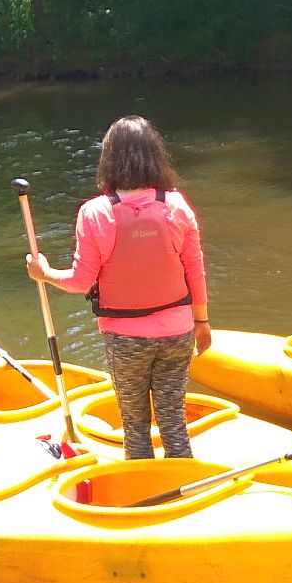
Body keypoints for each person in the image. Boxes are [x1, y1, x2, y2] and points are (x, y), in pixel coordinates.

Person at [26, 116, 211, 460]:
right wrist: (201, 322)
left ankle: (142, 485)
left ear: (109, 159)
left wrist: (44, 272)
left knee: (135, 427)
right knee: (173, 422)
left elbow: (81, 281)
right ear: (155, 155)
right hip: (178, 333)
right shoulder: (177, 206)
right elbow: (195, 271)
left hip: (125, 340)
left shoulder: (94, 213)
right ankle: (185, 480)